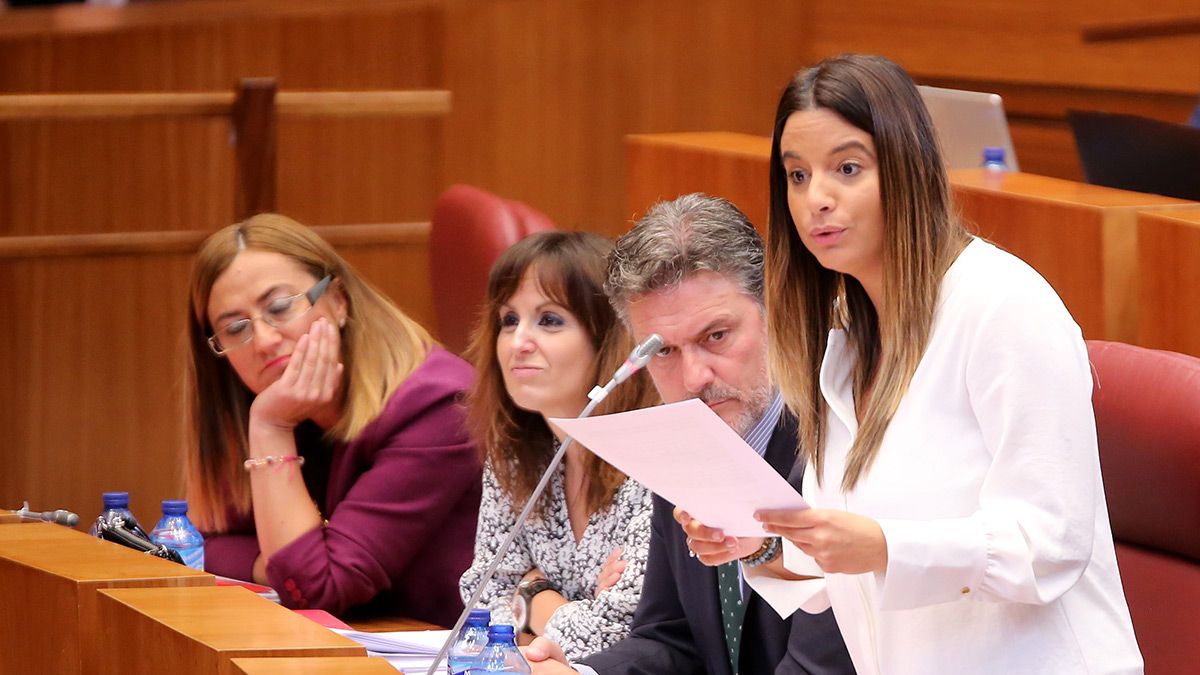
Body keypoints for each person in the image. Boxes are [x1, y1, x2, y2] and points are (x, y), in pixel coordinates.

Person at [680, 54, 1144, 674]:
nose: (816, 198)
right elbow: (843, 567)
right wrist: (762, 544)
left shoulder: (1003, 305)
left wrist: (884, 544)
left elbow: (1050, 546)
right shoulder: (846, 336)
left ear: (907, 169)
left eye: (846, 168)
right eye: (796, 175)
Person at [524, 194, 853, 675]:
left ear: (776, 313)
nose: (695, 378)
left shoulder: (838, 447)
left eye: (716, 336)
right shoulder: (684, 444)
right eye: (664, 352)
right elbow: (673, 639)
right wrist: (584, 673)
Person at [185, 213, 481, 625]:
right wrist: (274, 561)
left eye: (281, 307)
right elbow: (193, 544)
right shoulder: (265, 401)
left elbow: (315, 590)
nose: (266, 341)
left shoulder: (437, 405)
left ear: (338, 301)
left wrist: (271, 429)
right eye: (235, 329)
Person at [458, 231, 660, 660]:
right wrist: (558, 606)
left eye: (549, 320)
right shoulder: (516, 456)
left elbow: (623, 632)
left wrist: (531, 593)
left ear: (609, 338)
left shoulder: (653, 460)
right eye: (509, 320)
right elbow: (480, 597)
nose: (518, 342)